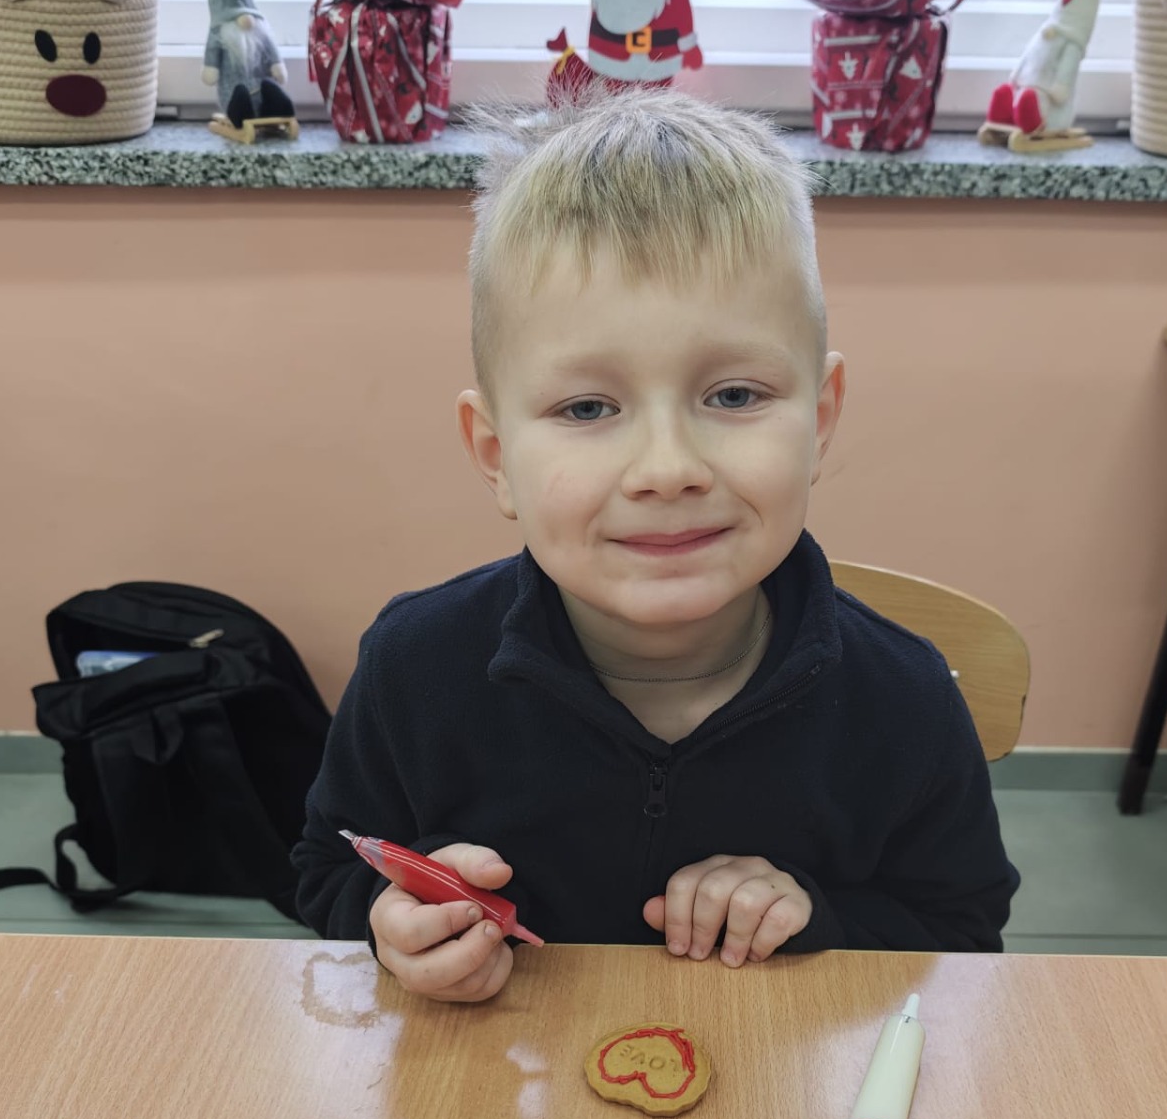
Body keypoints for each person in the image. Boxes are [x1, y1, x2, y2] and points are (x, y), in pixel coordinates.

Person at [293, 90, 1019, 1002]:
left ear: (821, 420)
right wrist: (392, 921)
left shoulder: (905, 699)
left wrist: (820, 921)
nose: (668, 469)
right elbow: (328, 868)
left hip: (777, 1080)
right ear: (496, 456)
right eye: (588, 408)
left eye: (735, 396)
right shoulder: (413, 668)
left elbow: (962, 932)